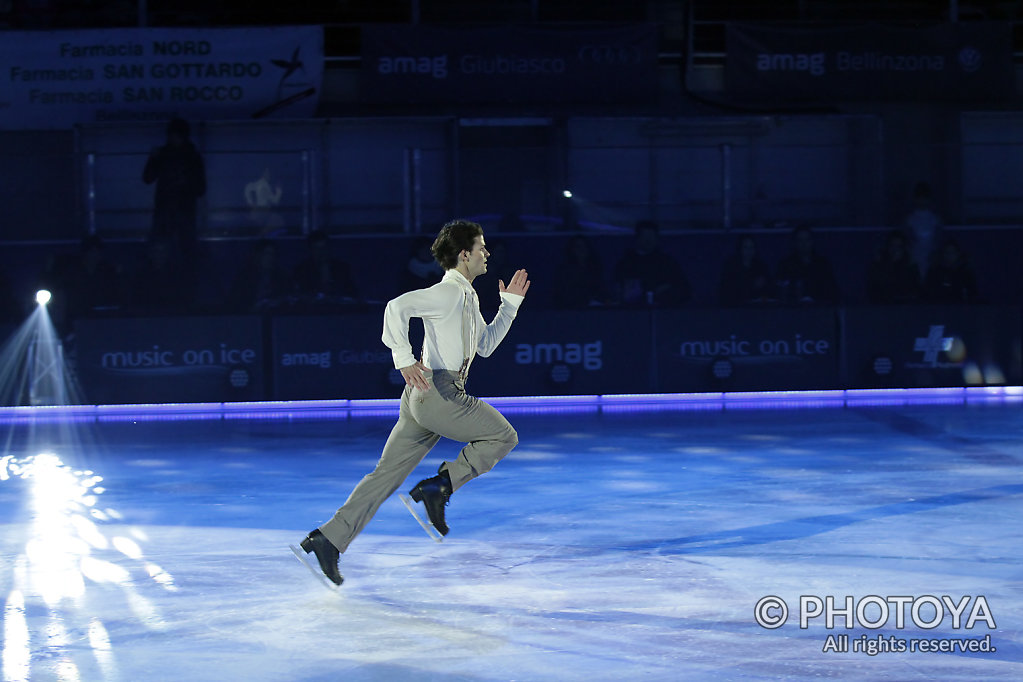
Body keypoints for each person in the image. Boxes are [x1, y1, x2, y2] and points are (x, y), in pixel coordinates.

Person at [296, 219, 530, 586]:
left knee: (385, 474)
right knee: (503, 436)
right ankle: (439, 487)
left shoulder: (467, 295)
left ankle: (328, 539)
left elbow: (483, 345)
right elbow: (395, 307)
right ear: (464, 254)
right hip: (440, 392)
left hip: (424, 397)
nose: (488, 253)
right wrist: (403, 359)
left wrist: (509, 307)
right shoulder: (449, 292)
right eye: (482, 247)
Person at [142, 117, 206, 255]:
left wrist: (185, 182)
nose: (173, 139)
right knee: (165, 250)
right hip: (171, 213)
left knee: (178, 250)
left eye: (176, 136)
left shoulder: (191, 157)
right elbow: (147, 178)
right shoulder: (168, 155)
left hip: (177, 213)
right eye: (172, 135)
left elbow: (201, 188)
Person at [613, 220, 690, 307]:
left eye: (651, 236)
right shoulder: (626, 263)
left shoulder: (667, 262)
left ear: (657, 238)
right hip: (632, 311)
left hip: (662, 310)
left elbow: (684, 289)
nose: (648, 240)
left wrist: (665, 291)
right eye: (645, 236)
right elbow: (619, 290)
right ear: (637, 238)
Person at [774, 226, 840, 305]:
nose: (804, 244)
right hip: (793, 310)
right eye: (800, 240)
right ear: (794, 243)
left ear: (812, 241)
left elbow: (831, 289)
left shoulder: (822, 264)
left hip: (820, 308)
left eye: (807, 240)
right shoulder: (786, 264)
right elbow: (780, 290)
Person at [290, 229, 359, 304]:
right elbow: (299, 295)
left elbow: (351, 294)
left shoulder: (342, 268)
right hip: (311, 311)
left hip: (338, 311)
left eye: (324, 248)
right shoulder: (301, 270)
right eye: (317, 249)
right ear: (310, 250)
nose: (321, 252)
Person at [866, 230, 921, 304]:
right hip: (882, 308)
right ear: (887, 247)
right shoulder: (877, 267)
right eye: (892, 245)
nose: (895, 250)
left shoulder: (911, 268)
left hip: (906, 309)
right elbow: (873, 291)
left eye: (899, 246)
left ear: (904, 248)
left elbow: (915, 292)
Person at [717, 235, 772, 306]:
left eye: (751, 247)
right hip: (735, 308)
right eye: (745, 247)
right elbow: (727, 291)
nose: (749, 251)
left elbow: (769, 289)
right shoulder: (731, 267)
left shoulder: (761, 266)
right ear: (740, 249)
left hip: (757, 309)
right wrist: (752, 285)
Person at [553, 234, 606, 309]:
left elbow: (601, 291)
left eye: (584, 246)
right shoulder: (564, 271)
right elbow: (564, 296)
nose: (582, 250)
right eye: (578, 247)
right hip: (571, 312)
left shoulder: (594, 269)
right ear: (571, 250)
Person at [905, 181, 942, 279]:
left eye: (925, 198)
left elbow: (938, 240)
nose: (922, 201)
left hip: (931, 259)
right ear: (915, 199)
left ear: (929, 199)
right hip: (915, 259)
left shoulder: (935, 219)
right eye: (919, 198)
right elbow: (908, 241)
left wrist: (935, 255)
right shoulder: (910, 220)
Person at [923, 238, 979, 303]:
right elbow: (927, 292)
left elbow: (972, 294)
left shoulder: (966, 273)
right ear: (942, 254)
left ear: (958, 254)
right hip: (937, 308)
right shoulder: (934, 271)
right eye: (946, 252)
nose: (949, 256)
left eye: (952, 253)